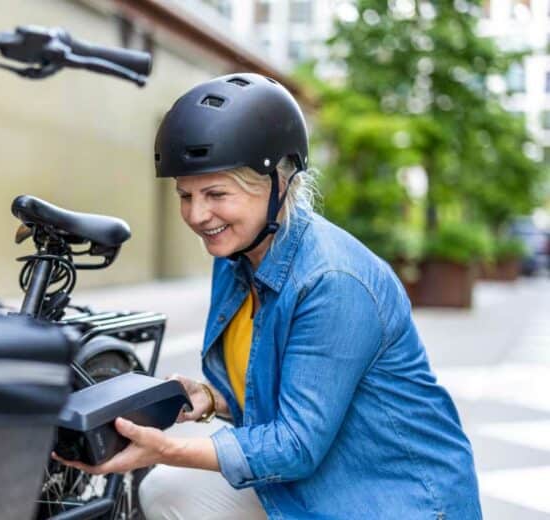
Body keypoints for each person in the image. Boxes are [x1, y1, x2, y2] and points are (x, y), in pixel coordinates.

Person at [53, 73, 482, 519]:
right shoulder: (236, 256)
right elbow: (275, 391)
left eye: (216, 194)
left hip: (392, 499)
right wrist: (210, 397)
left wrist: (165, 449)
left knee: (169, 472)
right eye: (186, 195)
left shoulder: (333, 281)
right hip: (314, 482)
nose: (197, 215)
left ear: (278, 183)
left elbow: (295, 445)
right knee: (167, 491)